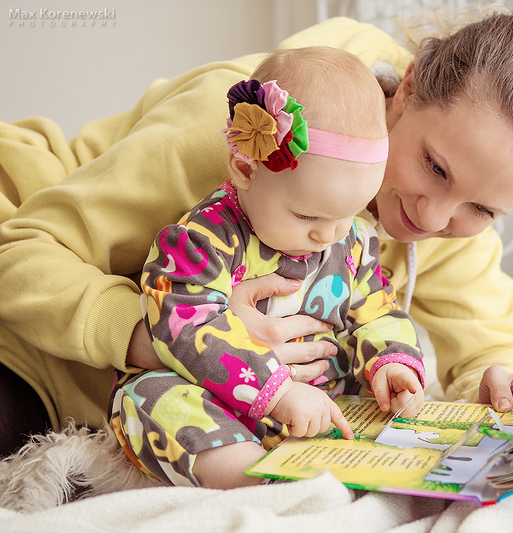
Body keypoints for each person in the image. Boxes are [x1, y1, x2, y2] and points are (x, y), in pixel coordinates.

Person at [0, 11, 513, 458]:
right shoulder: (246, 129)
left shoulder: (449, 201)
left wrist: (500, 381)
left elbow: (487, 343)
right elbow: (19, 253)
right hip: (31, 331)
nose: (432, 220)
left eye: (482, 208)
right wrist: (170, 338)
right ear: (407, 91)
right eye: (434, 167)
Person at [108, 46, 426, 488]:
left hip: (315, 407)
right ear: (245, 169)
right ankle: (254, 480)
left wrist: (392, 363)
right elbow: (183, 326)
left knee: (376, 399)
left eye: (349, 213)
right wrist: (276, 391)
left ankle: (319, 465)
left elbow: (376, 311)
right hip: (220, 399)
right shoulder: (202, 240)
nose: (329, 235)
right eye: (307, 215)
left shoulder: (353, 240)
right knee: (149, 397)